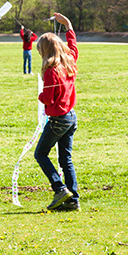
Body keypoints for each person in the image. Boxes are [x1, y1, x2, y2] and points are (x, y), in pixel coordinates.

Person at [35, 13, 80, 212]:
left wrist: (40, 96)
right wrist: (68, 25)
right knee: (65, 159)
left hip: (58, 119)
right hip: (71, 117)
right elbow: (73, 46)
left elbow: (49, 98)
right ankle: (73, 199)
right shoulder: (69, 61)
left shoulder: (51, 70)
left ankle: (60, 189)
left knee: (41, 154)